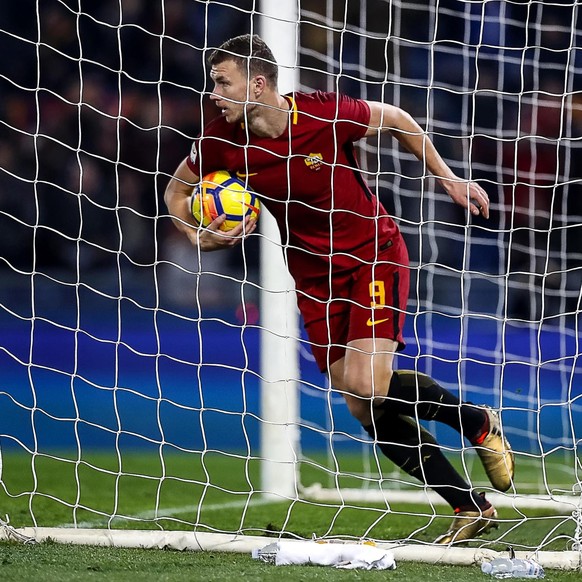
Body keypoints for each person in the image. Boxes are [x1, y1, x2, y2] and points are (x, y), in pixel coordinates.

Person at [164, 34, 514, 544]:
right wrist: (200, 235)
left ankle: (476, 419)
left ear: (257, 83)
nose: (213, 91)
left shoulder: (324, 113)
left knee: (368, 383)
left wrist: (448, 179)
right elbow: (176, 191)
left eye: (223, 81)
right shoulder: (220, 141)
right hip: (313, 278)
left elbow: (396, 119)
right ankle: (469, 506)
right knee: (361, 404)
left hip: (372, 253)